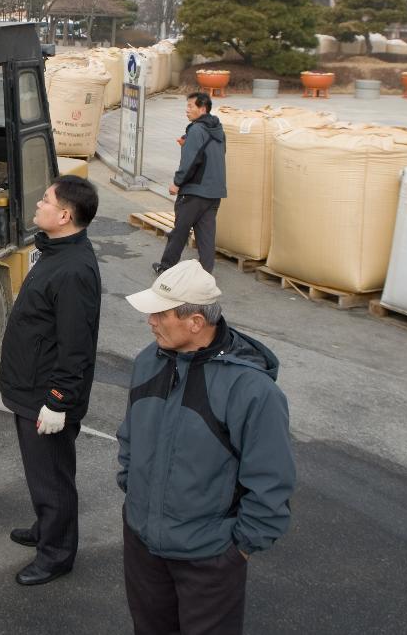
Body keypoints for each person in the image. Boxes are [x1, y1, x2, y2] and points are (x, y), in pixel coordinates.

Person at [119, 260, 295, 634]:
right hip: (143, 547)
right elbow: (130, 434)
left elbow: (271, 481)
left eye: (160, 314)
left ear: (195, 322)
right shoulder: (149, 361)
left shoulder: (253, 391)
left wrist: (239, 549)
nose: (150, 321)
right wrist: (132, 490)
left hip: (208, 558)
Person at [0, 174, 101, 586]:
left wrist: (58, 400)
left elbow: (76, 346)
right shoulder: (56, 252)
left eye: (45, 200)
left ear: (64, 214)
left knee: (52, 476)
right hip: (31, 384)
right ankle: (47, 528)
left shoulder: (74, 270)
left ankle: (56, 553)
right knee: (42, 472)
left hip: (46, 394)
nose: (37, 205)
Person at [155, 92, 226, 275]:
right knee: (206, 235)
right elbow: (212, 154)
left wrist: (177, 183)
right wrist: (188, 143)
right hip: (214, 191)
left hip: (195, 190)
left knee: (180, 231)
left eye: (191, 106)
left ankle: (166, 268)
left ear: (202, 109)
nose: (187, 110)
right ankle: (205, 272)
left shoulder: (196, 130)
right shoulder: (218, 130)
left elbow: (190, 161)